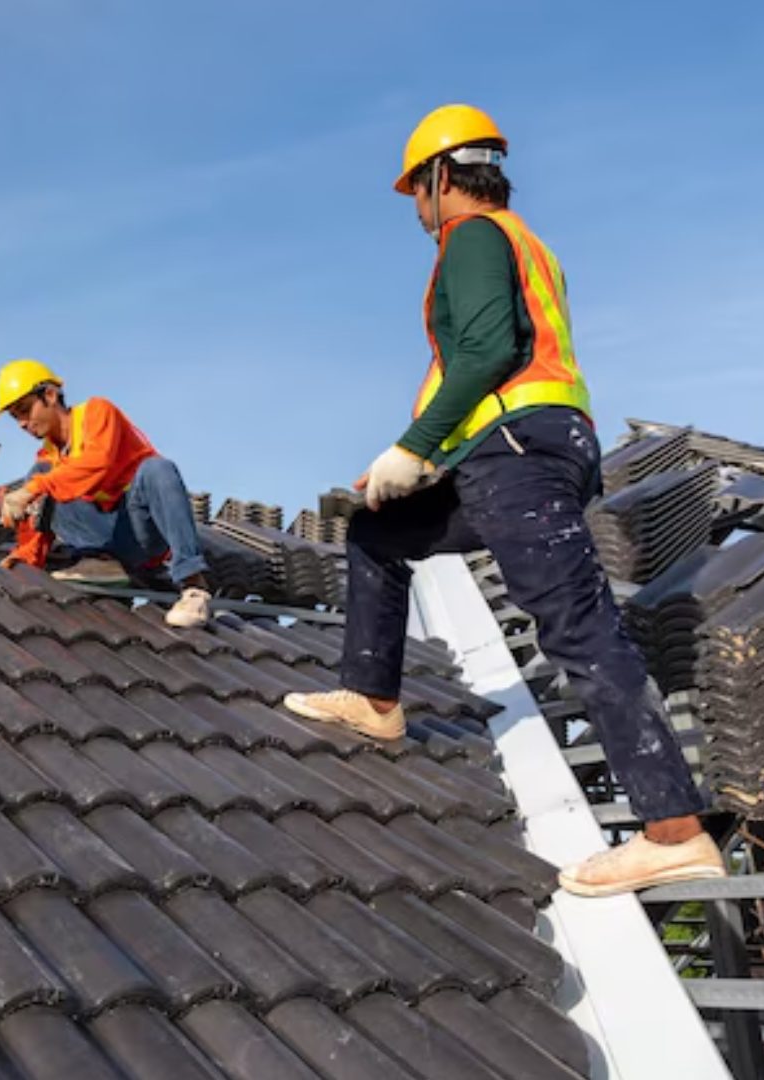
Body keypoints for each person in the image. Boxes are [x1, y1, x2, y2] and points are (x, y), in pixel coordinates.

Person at [281, 105, 724, 897]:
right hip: (516, 452)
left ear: (441, 177)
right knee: (378, 537)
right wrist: (424, 460)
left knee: (578, 627)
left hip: (516, 455)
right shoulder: (528, 246)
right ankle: (375, 697)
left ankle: (673, 831)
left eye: (417, 190)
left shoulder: (474, 236)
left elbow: (486, 351)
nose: (417, 209)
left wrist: (415, 447)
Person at [0, 359, 213, 628]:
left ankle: (193, 586)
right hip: (101, 539)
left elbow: (98, 463)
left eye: (25, 410)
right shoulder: (46, 458)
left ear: (50, 395)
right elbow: (37, 529)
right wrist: (18, 566)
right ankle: (100, 564)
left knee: (159, 469)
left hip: (140, 530)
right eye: (15, 417)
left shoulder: (97, 413)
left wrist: (32, 489)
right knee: (43, 477)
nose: (22, 423)